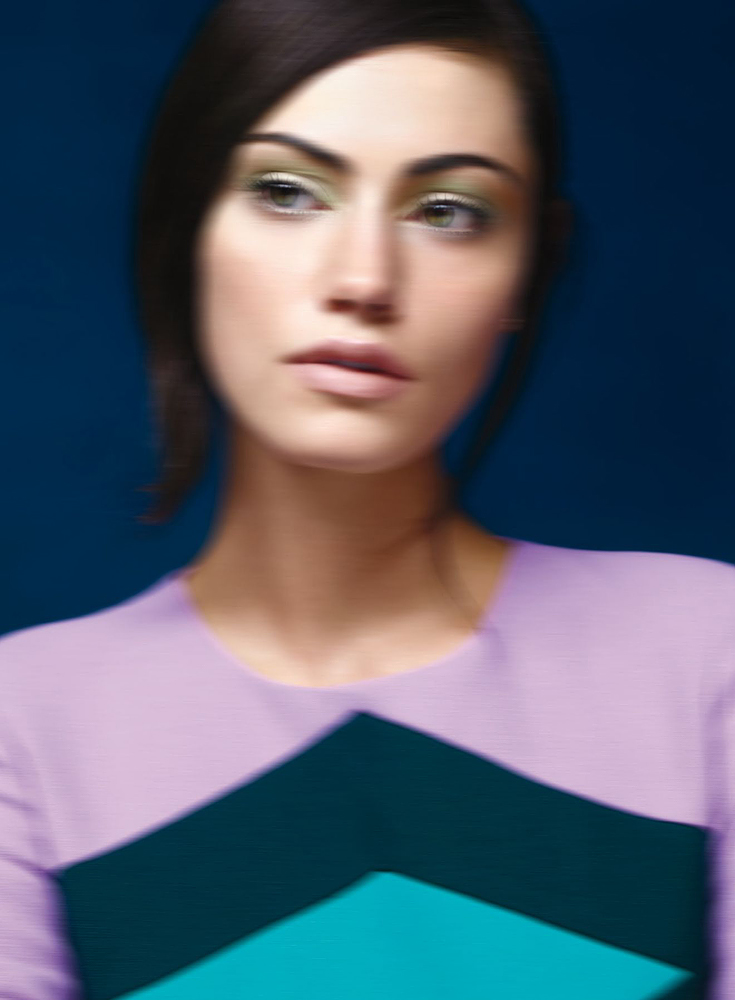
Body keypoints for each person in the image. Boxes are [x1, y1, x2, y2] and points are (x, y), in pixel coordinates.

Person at [1, 0, 733, 997]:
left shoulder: (704, 657)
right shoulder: (28, 729)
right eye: (287, 191)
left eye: (448, 211)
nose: (363, 279)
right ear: (186, 225)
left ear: (528, 273)